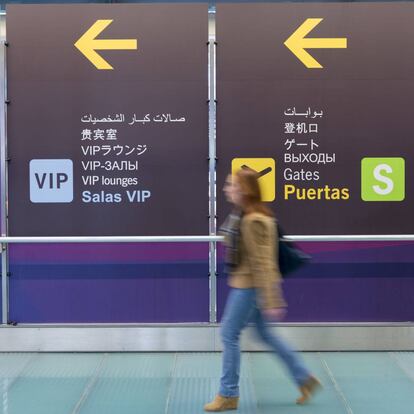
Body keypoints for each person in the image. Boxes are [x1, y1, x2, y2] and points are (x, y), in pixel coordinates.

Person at [204, 169, 321, 412]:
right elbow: (232, 240)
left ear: (244, 190)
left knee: (228, 334)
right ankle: (304, 378)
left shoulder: (253, 220)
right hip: (246, 284)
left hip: (250, 287)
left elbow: (264, 263)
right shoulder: (243, 215)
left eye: (231, 185)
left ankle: (228, 394)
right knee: (265, 335)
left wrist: (272, 300)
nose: (226, 189)